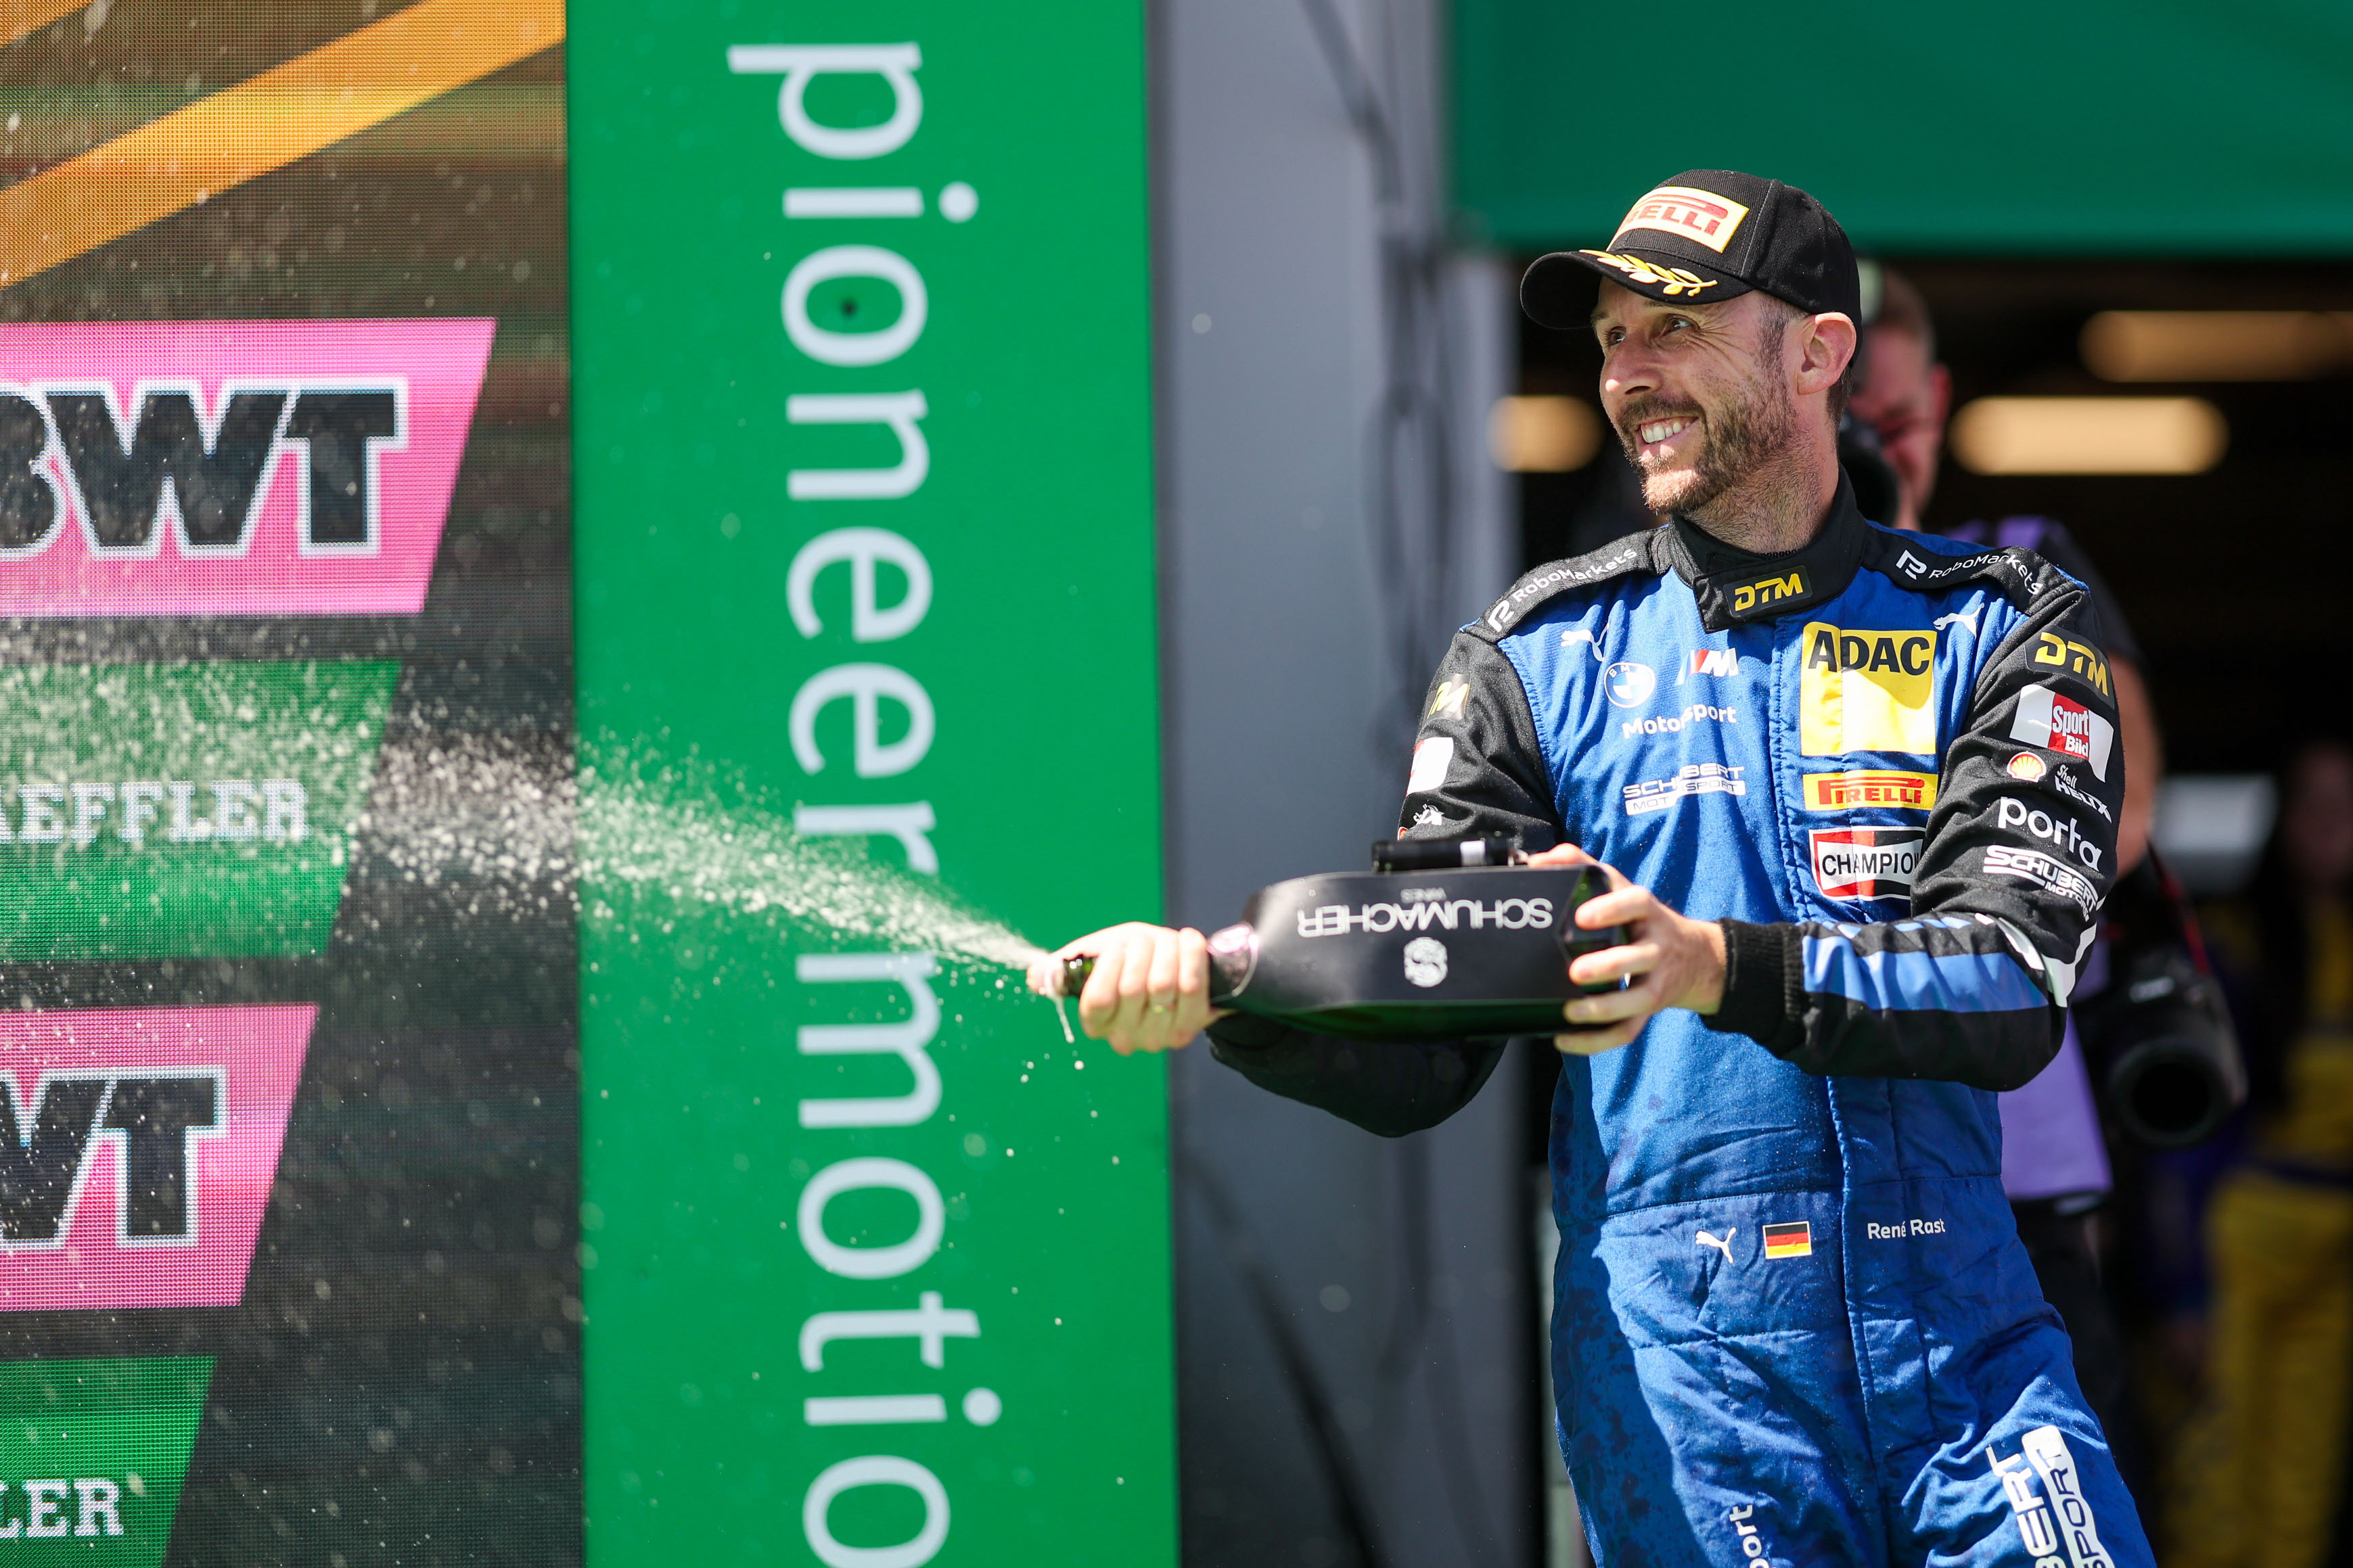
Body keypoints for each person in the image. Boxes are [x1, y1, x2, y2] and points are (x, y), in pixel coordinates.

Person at [1040, 170, 2153, 1564]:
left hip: (1967, 1343)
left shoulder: (2000, 624)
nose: (1629, 373)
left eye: (1675, 326)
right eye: (1613, 335)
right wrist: (1229, 987)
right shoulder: (1530, 656)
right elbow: (1427, 1029)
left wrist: (1708, 964)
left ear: (1817, 351)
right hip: (1685, 1376)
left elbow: (2003, 980)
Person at [1850, 265, 2166, 1492]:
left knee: (2055, 1480)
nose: (1874, 451)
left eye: (1895, 423)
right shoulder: (1719, 606)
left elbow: (2116, 816)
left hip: (2008, 1143)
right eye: (1847, 426)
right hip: (1814, 1133)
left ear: (1936, 403)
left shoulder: (2021, 571)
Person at [2162, 739, 2353, 1568]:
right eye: (2314, 803)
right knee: (2216, 1475)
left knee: (2301, 1486)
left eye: (2347, 805)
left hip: (2337, 1249)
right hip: (2240, 1237)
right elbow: (2187, 1133)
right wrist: (2185, 1289)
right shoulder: (2231, 946)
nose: (2331, 823)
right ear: (2281, 818)